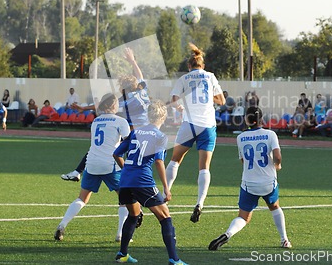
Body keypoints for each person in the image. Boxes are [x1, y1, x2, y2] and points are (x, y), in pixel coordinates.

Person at [112, 100, 188, 265]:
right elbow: (159, 162)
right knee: (165, 218)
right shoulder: (160, 136)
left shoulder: (135, 132)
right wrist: (166, 188)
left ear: (148, 115)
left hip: (125, 181)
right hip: (142, 181)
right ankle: (174, 259)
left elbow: (117, 154)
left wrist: (127, 171)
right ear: (164, 117)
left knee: (133, 215)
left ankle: (122, 254)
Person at [208, 106, 292, 251]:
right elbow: (277, 156)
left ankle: (228, 234)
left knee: (243, 217)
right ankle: (284, 239)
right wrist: (277, 165)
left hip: (249, 183)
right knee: (275, 207)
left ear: (247, 119)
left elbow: (243, 161)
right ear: (261, 119)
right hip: (268, 182)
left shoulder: (240, 137)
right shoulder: (271, 134)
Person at [61, 48, 150, 182]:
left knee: (104, 149)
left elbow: (105, 106)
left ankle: (79, 172)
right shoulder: (142, 90)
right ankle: (77, 171)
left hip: (134, 131)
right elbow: (139, 75)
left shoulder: (124, 101)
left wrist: (84, 108)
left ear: (124, 87)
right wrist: (132, 61)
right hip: (147, 131)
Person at [54, 93, 130, 242]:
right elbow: (128, 143)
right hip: (110, 164)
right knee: (124, 199)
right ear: (113, 105)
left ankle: (62, 224)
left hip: (92, 163)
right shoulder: (121, 121)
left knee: (82, 198)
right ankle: (120, 234)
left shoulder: (95, 121)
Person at [166, 43, 226, 223]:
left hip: (189, 124)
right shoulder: (210, 76)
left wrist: (181, 107)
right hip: (207, 125)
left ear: (189, 66)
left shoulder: (184, 79)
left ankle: (165, 194)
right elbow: (221, 101)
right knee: (204, 167)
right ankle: (200, 203)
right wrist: (209, 97)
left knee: (175, 159)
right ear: (203, 65)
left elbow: (174, 101)